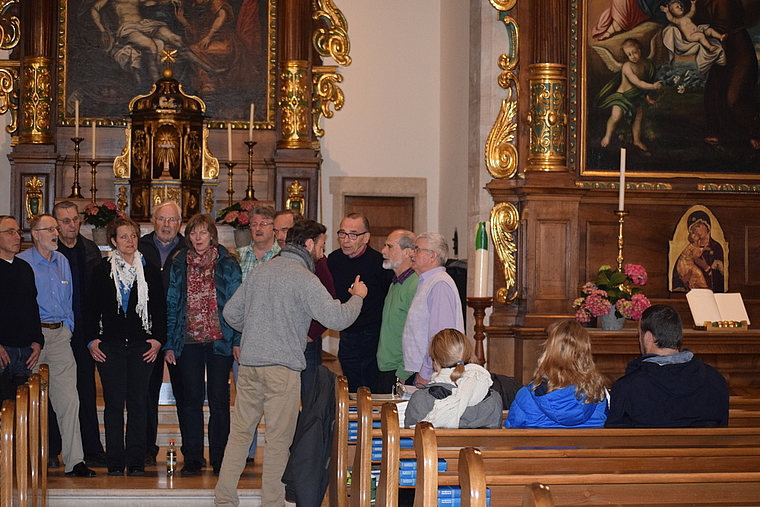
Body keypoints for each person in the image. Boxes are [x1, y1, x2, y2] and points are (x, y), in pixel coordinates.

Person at [214, 219, 367, 507]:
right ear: (309, 245)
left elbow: (232, 314)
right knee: (278, 441)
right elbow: (336, 318)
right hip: (281, 370)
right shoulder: (304, 278)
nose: (322, 252)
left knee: (239, 435)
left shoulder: (261, 271)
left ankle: (223, 500)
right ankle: (271, 503)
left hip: (249, 367)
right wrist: (357, 298)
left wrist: (261, 327)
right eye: (321, 245)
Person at [85, 216, 166, 476]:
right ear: (113, 241)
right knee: (113, 404)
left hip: (143, 346)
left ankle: (136, 461)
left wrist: (157, 340)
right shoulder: (102, 269)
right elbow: (90, 309)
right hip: (111, 346)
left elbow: (160, 310)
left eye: (133, 236)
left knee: (139, 403)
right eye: (123, 236)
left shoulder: (150, 270)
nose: (129, 241)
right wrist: (91, 340)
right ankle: (115, 462)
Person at [18, 214, 95, 477]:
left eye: (55, 228)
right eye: (48, 229)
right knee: (31, 402)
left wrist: (69, 329)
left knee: (69, 400)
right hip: (33, 338)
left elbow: (70, 298)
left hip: (61, 336)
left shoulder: (62, 261)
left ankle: (75, 462)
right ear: (35, 234)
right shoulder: (22, 263)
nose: (55, 233)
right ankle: (27, 461)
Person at [164, 214, 241, 477]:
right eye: (194, 233)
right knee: (191, 400)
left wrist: (238, 341)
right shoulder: (179, 262)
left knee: (219, 400)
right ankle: (193, 458)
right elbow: (172, 302)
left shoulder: (228, 262)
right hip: (188, 340)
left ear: (212, 235)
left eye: (203, 233)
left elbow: (236, 304)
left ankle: (220, 458)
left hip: (220, 340)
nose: (198, 238)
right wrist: (169, 343)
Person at [606, 304, 729, 427]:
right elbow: (722, 428)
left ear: (648, 337)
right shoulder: (714, 379)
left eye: (640, 334)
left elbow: (618, 437)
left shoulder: (627, 387)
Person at [53, 201, 107, 468]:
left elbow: (97, 293)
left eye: (74, 219)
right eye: (65, 221)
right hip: (59, 330)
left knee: (86, 390)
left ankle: (91, 449)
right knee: (57, 392)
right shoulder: (50, 252)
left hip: (85, 330)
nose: (71, 225)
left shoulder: (90, 249)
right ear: (56, 224)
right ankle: (53, 449)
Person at [138, 200, 187, 467]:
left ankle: (191, 450)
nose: (166, 225)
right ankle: (146, 446)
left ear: (180, 223)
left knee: (186, 392)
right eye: (161, 219)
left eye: (172, 220)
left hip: (181, 332)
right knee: (147, 391)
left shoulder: (189, 248)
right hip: (148, 331)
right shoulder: (139, 247)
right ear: (153, 221)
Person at [274, 209, 337, 398]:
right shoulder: (278, 260)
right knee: (284, 396)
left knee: (308, 395)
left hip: (306, 342)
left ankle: (308, 428)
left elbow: (329, 301)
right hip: (283, 342)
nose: (280, 236)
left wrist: (311, 334)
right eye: (276, 231)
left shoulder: (318, 262)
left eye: (284, 230)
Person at [327, 213, 393, 392]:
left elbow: (390, 300)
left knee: (370, 388)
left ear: (366, 237)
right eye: (342, 233)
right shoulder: (333, 260)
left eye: (353, 234)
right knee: (350, 387)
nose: (346, 240)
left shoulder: (380, 263)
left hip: (372, 336)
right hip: (346, 333)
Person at [505, 320, 609, 428]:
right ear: (585, 353)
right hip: (587, 445)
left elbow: (512, 434)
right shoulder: (597, 394)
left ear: (549, 351)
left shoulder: (527, 395)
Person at [404, 329, 502, 429]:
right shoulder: (493, 398)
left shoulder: (421, 399)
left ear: (435, 363)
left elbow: (412, 438)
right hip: (480, 445)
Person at [402, 232, 464, 386]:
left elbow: (440, 336)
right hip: (420, 370)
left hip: (432, 374)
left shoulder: (440, 284)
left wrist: (426, 372)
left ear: (432, 256)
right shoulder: (428, 282)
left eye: (417, 249)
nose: (412, 254)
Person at [0, 216, 44, 402]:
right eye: (10, 232)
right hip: (2, 351)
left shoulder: (25, 268)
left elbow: (31, 306)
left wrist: (37, 340)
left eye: (18, 232)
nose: (17, 237)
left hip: (24, 350)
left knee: (22, 412)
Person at [597, 38, 663, 151]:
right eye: (629, 54)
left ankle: (636, 140)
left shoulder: (646, 64)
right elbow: (638, 83)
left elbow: (647, 79)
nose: (632, 56)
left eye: (634, 53)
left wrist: (648, 97)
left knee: (638, 118)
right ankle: (607, 136)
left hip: (636, 96)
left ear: (639, 51)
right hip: (622, 96)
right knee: (615, 116)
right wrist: (653, 86)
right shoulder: (627, 67)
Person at [376, 229, 418, 394]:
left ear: (408, 252)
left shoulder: (414, 285)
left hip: (401, 372)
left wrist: (402, 373)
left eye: (390, 246)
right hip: (388, 368)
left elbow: (416, 334)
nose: (383, 251)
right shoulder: (396, 283)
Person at [672, 210, 725, 293]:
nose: (696, 230)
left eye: (699, 226)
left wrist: (706, 268)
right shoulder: (690, 248)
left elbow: (720, 280)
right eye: (693, 228)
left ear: (707, 226)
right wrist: (685, 278)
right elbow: (678, 273)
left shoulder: (715, 248)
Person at [660, 0, 725, 52]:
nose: (680, 7)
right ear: (673, 12)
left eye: (681, 6)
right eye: (677, 7)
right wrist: (667, 12)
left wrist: (693, 4)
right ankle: (710, 47)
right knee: (701, 35)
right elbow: (671, 18)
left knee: (709, 30)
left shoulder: (687, 16)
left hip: (698, 30)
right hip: (691, 36)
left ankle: (720, 36)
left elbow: (692, 11)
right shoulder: (677, 21)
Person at [237, 204, 280, 280]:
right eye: (254, 224)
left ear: (274, 228)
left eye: (263, 224)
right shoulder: (238, 255)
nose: (257, 229)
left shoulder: (281, 255)